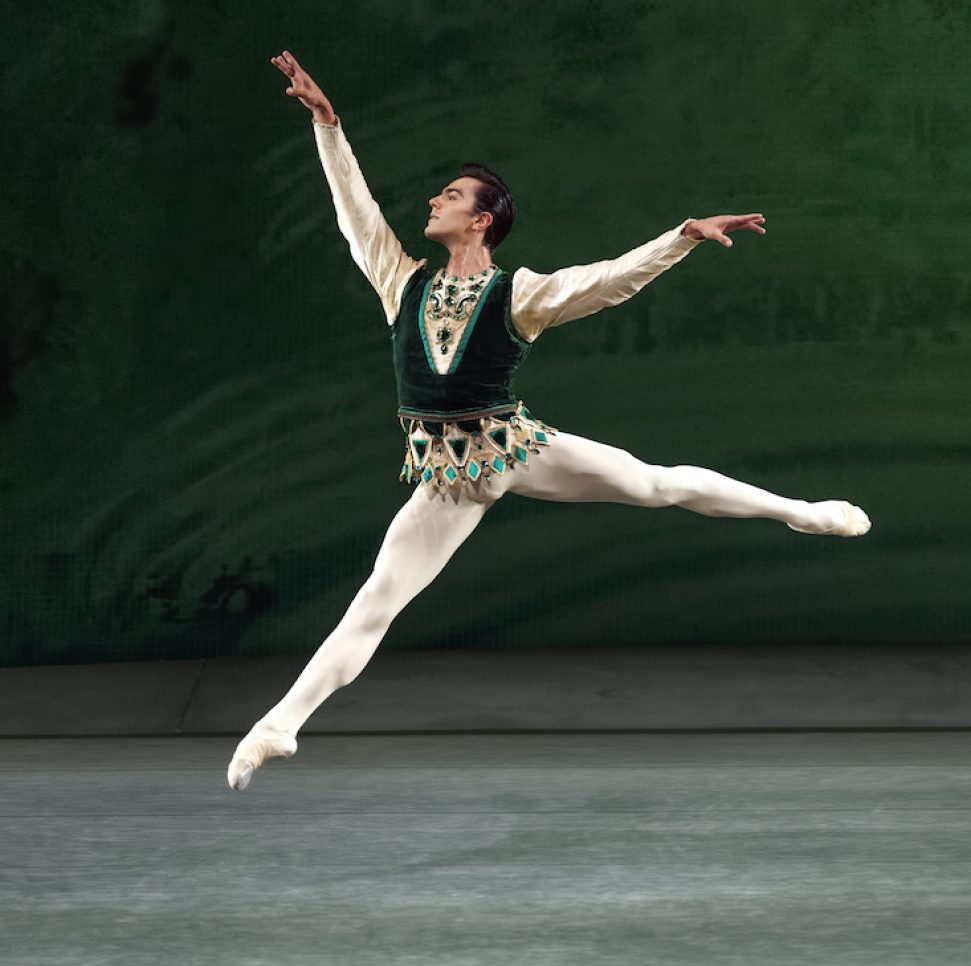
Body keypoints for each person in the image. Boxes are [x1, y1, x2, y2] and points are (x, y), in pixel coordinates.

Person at [227, 50, 871, 791]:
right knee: (376, 600)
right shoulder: (400, 282)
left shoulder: (521, 293)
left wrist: (682, 237)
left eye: (450, 194)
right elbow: (355, 215)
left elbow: (606, 283)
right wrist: (329, 128)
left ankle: (802, 513)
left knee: (657, 485)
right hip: (447, 479)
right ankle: (279, 726)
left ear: (483, 218)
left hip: (513, 449)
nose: (432, 201)